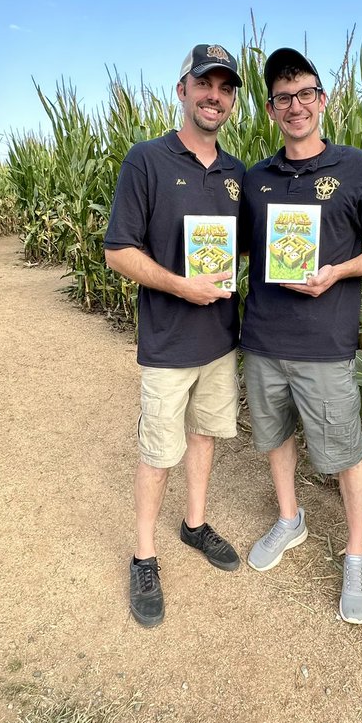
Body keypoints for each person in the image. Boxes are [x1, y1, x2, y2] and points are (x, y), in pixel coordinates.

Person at [239, 47, 362, 624]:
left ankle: (356, 554)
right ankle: (290, 519)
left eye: (306, 93)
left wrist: (338, 271)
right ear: (271, 108)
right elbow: (229, 246)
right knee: (274, 437)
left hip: (325, 343)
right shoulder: (254, 178)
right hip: (262, 338)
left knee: (345, 452)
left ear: (322, 99)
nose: (296, 105)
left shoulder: (358, 169)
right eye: (284, 98)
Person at [104, 44, 246, 628]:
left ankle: (193, 524)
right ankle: (144, 554)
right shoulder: (147, 161)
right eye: (204, 83)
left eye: (225, 87)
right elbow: (117, 252)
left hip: (220, 339)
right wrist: (179, 286)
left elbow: (253, 250)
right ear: (182, 90)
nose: (214, 94)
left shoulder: (239, 174)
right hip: (167, 341)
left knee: (206, 434)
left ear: (232, 100)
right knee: (159, 450)